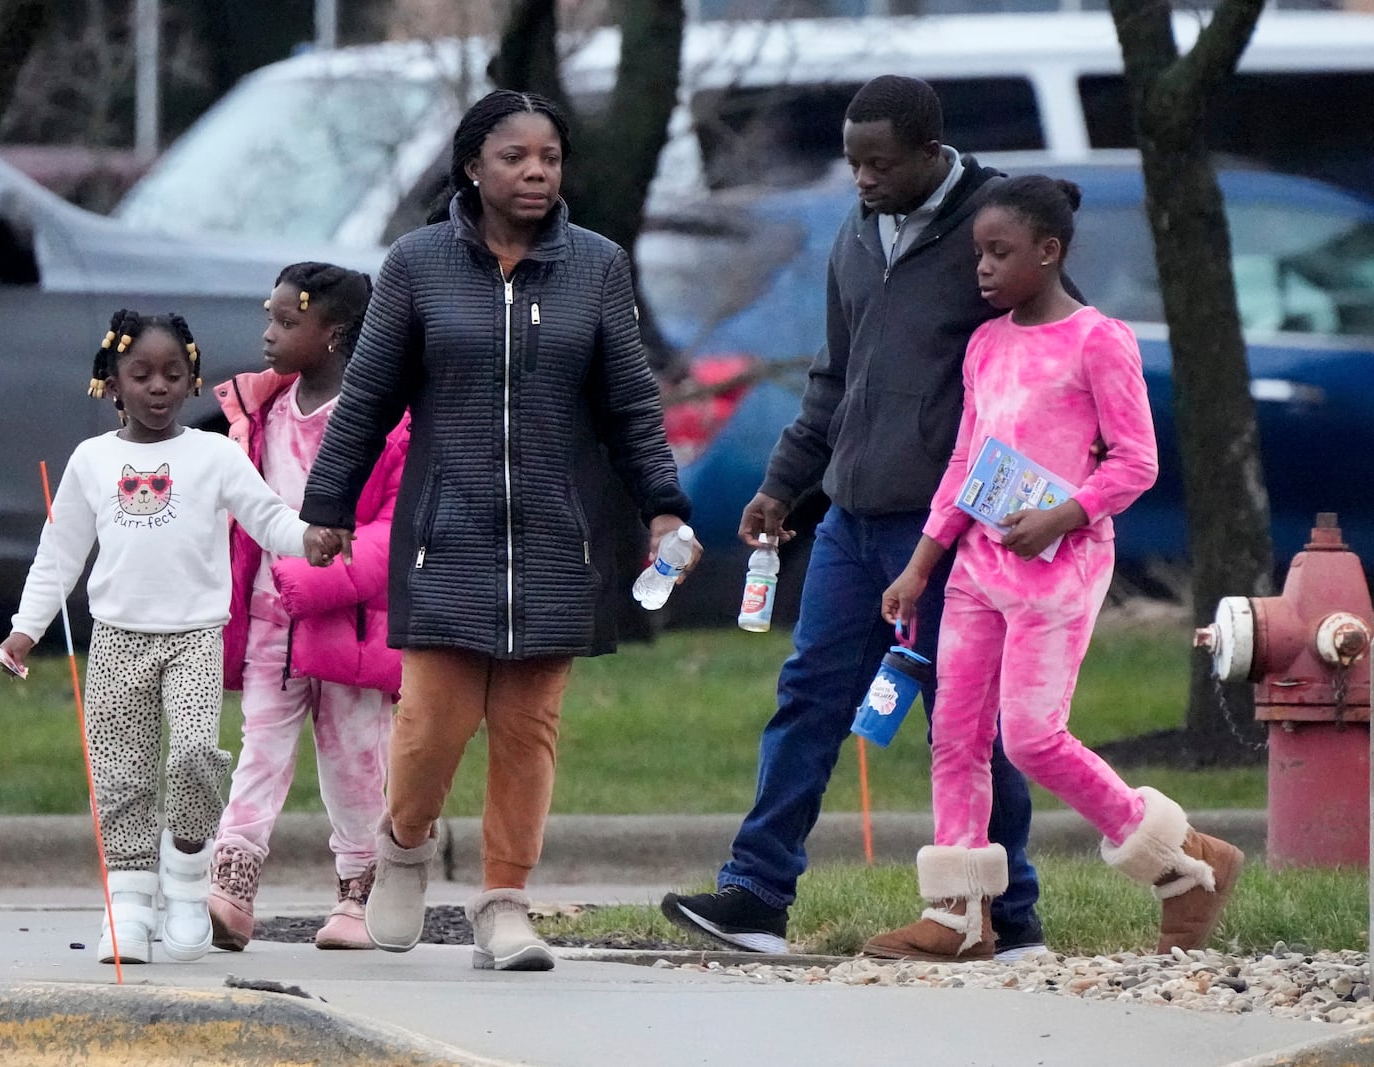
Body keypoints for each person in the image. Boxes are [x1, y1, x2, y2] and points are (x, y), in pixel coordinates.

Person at [298, 89, 697, 972]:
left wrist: (666, 505)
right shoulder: (417, 264)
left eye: (548, 158)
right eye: (515, 157)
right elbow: (365, 399)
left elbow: (631, 402)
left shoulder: (596, 267)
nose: (535, 172)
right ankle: (403, 845)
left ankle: (505, 903)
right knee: (432, 723)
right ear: (473, 166)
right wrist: (327, 506)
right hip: (447, 532)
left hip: (557, 535)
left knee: (529, 726)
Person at [660, 75, 1047, 959]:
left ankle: (1013, 914)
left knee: (964, 717)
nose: (863, 179)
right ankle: (755, 895)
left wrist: (1006, 510)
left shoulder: (992, 229)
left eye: (880, 164)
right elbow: (834, 378)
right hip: (851, 517)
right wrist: (784, 483)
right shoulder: (857, 231)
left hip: (949, 526)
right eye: (853, 163)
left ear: (929, 151)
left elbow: (1038, 375)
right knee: (808, 698)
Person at [868, 175, 1244, 960]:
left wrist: (1061, 516)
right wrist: (922, 564)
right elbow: (968, 465)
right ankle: (957, 915)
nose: (983, 268)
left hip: (1059, 570)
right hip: (975, 570)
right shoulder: (985, 344)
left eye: (1000, 252)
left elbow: (1136, 463)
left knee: (1033, 738)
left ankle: (1184, 863)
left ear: (1050, 251)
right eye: (979, 253)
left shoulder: (1098, 339)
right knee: (956, 735)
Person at [0, 309, 326, 965]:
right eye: (140, 374)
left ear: (192, 380)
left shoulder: (214, 454)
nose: (157, 386)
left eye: (172, 373)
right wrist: (24, 630)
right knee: (121, 777)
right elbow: (59, 552)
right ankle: (128, 906)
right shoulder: (93, 460)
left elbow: (266, 517)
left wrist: (308, 539)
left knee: (195, 758)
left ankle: (184, 888)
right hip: (118, 641)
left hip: (194, 639)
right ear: (112, 383)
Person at [206, 263, 411, 953]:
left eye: (287, 322)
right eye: (270, 316)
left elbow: (393, 526)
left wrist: (318, 578)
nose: (267, 334)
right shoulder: (259, 413)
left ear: (336, 335)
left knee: (355, 761)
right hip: (269, 617)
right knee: (259, 746)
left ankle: (360, 895)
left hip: (350, 622)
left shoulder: (387, 421)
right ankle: (231, 883)